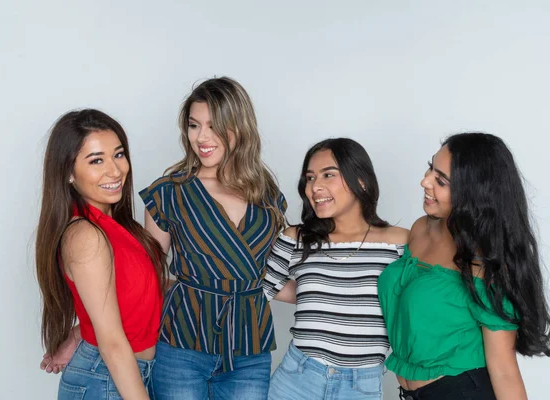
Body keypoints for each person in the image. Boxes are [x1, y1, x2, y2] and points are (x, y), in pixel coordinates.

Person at [140, 77, 287, 399]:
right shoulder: (169, 193)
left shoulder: (268, 197)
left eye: (213, 126)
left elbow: (274, 278)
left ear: (240, 127)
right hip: (182, 344)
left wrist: (346, 300)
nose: (202, 137)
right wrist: (86, 332)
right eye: (194, 126)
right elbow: (148, 278)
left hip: (250, 348)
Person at [378, 132, 550, 400]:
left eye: (441, 180)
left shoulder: (485, 264)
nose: (424, 181)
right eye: (430, 168)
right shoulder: (421, 228)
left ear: (474, 194)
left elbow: (504, 370)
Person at [263, 138, 408, 400]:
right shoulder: (296, 237)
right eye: (309, 178)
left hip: (361, 386)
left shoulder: (400, 242)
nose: (314, 187)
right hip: (297, 379)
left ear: (361, 181)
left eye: (328, 175)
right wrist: (315, 295)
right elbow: (261, 287)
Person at [36, 109, 166, 399]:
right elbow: (112, 342)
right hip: (106, 377)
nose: (115, 170)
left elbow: (130, 300)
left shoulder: (117, 228)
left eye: (118, 155)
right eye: (96, 160)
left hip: (125, 373)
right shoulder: (86, 236)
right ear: (68, 172)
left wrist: (79, 330)